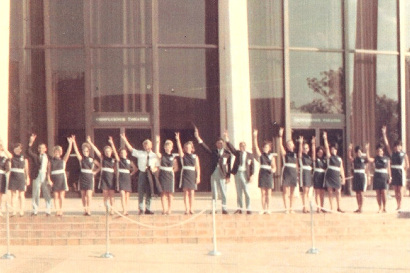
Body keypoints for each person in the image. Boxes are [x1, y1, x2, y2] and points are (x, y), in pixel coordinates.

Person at [194, 127, 231, 214]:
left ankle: (224, 208)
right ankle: (214, 209)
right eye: (218, 143)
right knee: (214, 191)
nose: (220, 144)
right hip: (214, 172)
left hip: (222, 173)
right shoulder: (213, 152)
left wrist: (228, 176)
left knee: (223, 191)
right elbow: (204, 147)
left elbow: (228, 165)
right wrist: (198, 137)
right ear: (216, 144)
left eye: (221, 143)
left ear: (223, 144)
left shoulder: (227, 153)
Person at [121, 133, 159, 215]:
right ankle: (141, 208)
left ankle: (148, 208)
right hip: (142, 173)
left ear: (151, 146)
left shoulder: (154, 155)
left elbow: (157, 166)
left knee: (149, 191)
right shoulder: (140, 153)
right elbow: (131, 149)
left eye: (148, 145)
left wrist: (153, 169)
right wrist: (125, 139)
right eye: (145, 145)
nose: (146, 147)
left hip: (150, 173)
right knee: (141, 191)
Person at [224, 130, 254, 214]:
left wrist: (251, 175)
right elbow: (231, 148)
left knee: (247, 191)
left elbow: (252, 166)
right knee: (239, 191)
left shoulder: (249, 155)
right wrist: (227, 138)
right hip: (238, 173)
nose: (242, 147)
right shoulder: (237, 153)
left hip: (245, 174)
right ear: (239, 147)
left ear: (246, 146)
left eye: (244, 146)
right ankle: (239, 208)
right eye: (241, 146)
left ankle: (248, 208)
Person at [87, 136, 117, 214]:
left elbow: (116, 155)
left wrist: (112, 143)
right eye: (106, 151)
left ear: (111, 151)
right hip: (104, 177)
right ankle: (107, 208)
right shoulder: (102, 158)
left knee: (112, 195)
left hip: (111, 177)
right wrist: (90, 142)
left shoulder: (114, 158)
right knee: (105, 194)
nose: (107, 153)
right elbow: (96, 150)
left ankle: (112, 209)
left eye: (109, 151)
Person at [382, 126, 409, 211]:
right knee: (395, 190)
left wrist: (404, 171)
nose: (397, 148)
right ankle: (397, 205)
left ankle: (400, 205)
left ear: (400, 147)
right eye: (395, 146)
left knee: (400, 191)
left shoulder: (404, 154)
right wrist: (384, 134)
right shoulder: (392, 153)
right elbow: (387, 145)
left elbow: (407, 165)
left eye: (398, 146)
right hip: (394, 172)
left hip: (400, 172)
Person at [72, 136, 100, 216]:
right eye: (84, 151)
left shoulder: (92, 159)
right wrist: (74, 142)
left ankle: (89, 209)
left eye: (87, 151)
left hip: (89, 177)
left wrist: (95, 172)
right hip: (82, 177)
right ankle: (85, 210)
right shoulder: (81, 159)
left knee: (89, 194)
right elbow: (76, 151)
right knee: (83, 194)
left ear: (89, 151)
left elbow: (100, 166)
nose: (85, 152)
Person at [27, 134, 52, 216]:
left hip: (44, 175)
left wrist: (49, 177)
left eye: (43, 148)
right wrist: (31, 142)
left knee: (46, 192)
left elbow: (51, 166)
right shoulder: (35, 156)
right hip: (37, 175)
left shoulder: (48, 157)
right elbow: (28, 152)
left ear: (45, 149)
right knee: (36, 192)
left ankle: (48, 209)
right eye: (40, 148)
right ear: (38, 149)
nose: (41, 149)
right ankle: (35, 210)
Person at [47, 137, 73, 216]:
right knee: (55, 195)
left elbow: (68, 152)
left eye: (58, 152)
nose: (57, 153)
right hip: (54, 179)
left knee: (61, 195)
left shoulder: (63, 160)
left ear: (61, 153)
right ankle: (57, 210)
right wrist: (49, 180)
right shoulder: (50, 161)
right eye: (55, 152)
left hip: (62, 178)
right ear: (54, 153)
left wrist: (70, 144)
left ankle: (61, 210)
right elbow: (48, 172)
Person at [175, 132, 200, 214]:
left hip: (192, 174)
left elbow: (197, 167)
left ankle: (192, 209)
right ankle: (186, 209)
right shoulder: (183, 155)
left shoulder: (195, 156)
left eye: (189, 147)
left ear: (192, 148)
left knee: (192, 192)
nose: (187, 148)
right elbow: (179, 148)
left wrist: (198, 177)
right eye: (186, 147)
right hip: (185, 173)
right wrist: (178, 139)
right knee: (185, 192)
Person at [253, 129, 276, 214]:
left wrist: (273, 170)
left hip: (269, 174)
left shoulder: (272, 156)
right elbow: (256, 147)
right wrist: (255, 137)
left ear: (269, 148)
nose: (266, 148)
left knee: (269, 193)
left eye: (267, 147)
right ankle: (263, 208)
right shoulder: (261, 155)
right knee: (263, 193)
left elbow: (274, 167)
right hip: (262, 173)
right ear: (263, 148)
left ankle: (268, 208)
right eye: (264, 147)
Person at [4, 142, 30, 216]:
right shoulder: (12, 157)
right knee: (13, 194)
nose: (17, 150)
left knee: (21, 194)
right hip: (13, 176)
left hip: (21, 176)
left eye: (19, 148)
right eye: (16, 148)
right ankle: (13, 211)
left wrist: (27, 177)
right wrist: (2, 144)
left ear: (21, 149)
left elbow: (26, 169)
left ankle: (21, 211)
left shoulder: (24, 158)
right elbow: (6, 152)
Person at [155, 135, 178, 215]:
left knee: (170, 193)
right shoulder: (162, 156)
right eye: (166, 146)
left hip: (170, 176)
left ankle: (169, 209)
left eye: (169, 146)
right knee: (163, 193)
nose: (168, 148)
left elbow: (176, 168)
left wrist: (171, 172)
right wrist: (158, 142)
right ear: (164, 147)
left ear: (171, 148)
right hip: (163, 175)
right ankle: (164, 209)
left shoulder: (173, 157)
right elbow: (157, 153)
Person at [323, 132, 345, 213]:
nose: (333, 150)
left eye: (334, 149)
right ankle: (331, 207)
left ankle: (339, 207)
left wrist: (343, 178)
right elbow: (326, 147)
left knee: (338, 191)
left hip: (337, 176)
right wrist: (325, 138)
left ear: (336, 150)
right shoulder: (329, 156)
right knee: (330, 192)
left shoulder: (339, 159)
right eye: (332, 149)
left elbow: (341, 168)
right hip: (330, 175)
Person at [366, 143, 391, 213]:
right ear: (376, 152)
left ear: (383, 151)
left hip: (384, 176)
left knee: (384, 192)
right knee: (378, 193)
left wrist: (390, 177)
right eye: (378, 151)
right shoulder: (375, 158)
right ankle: (379, 207)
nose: (379, 152)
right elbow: (368, 159)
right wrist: (367, 149)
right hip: (377, 176)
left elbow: (389, 169)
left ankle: (384, 207)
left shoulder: (387, 158)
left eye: (381, 151)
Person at [278, 127, 298, 214]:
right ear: (287, 146)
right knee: (286, 191)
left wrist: (297, 174)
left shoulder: (296, 154)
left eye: (291, 144)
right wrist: (280, 136)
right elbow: (280, 145)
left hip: (293, 173)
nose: (290, 146)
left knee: (292, 191)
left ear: (293, 145)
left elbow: (297, 165)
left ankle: (291, 208)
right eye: (288, 145)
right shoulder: (285, 153)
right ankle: (286, 208)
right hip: (286, 172)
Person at [115, 146, 137, 216]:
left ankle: (126, 210)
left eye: (124, 152)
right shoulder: (119, 160)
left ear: (126, 153)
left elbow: (135, 169)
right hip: (121, 178)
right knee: (122, 194)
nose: (123, 154)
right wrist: (112, 144)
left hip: (127, 178)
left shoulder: (129, 161)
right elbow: (115, 153)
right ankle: (124, 210)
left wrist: (131, 174)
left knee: (127, 195)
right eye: (121, 153)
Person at [348, 144, 370, 213]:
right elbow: (349, 157)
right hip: (356, 176)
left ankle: (361, 207)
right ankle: (358, 207)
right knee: (357, 192)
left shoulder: (364, 160)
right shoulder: (354, 159)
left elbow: (367, 168)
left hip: (362, 176)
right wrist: (349, 149)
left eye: (360, 152)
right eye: (357, 152)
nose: (359, 153)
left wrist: (367, 150)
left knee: (361, 192)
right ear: (356, 153)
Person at [311, 137, 327, 213]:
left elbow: (327, 150)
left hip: (323, 176)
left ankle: (322, 207)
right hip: (317, 176)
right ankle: (318, 208)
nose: (320, 153)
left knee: (322, 193)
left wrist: (325, 139)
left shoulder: (325, 159)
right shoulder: (315, 159)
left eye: (321, 152)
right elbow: (313, 152)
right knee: (317, 192)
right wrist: (313, 144)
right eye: (318, 152)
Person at [298, 136, 313, 213]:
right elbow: (300, 152)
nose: (305, 149)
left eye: (306, 148)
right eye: (304, 148)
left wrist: (313, 144)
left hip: (309, 173)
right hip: (304, 173)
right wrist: (300, 143)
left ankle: (307, 206)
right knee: (305, 191)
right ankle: (304, 207)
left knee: (308, 192)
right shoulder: (301, 156)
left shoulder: (309, 157)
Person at [0, 139, 9, 216]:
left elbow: (10, 156)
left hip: (2, 175)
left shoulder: (4, 156)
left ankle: (0, 208)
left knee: (1, 193)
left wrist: (4, 148)